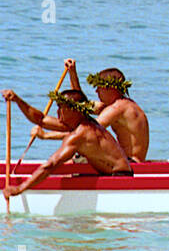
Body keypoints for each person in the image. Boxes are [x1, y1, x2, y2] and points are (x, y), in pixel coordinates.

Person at [3, 88, 133, 200]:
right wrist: (17, 99)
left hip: (119, 178)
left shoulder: (80, 134)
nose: (58, 112)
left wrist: (20, 189)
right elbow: (41, 119)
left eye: (61, 108)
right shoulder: (80, 122)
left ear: (75, 110)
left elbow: (51, 165)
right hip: (110, 175)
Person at [31, 59, 151, 161]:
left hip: (131, 164)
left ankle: (61, 175)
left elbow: (87, 131)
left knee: (83, 144)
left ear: (110, 88)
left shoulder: (118, 108)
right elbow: (82, 104)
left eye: (99, 88)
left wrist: (46, 136)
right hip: (125, 161)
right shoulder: (116, 106)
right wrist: (72, 72)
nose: (96, 91)